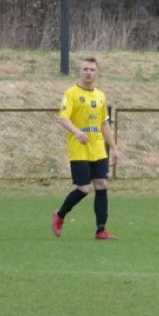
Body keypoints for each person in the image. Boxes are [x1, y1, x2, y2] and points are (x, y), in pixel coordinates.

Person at [52, 56, 119, 240]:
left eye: (92, 69)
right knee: (83, 188)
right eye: (85, 69)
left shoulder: (100, 96)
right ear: (80, 72)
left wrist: (113, 148)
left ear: (97, 73)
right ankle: (60, 215)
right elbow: (62, 118)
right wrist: (76, 132)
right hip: (79, 148)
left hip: (97, 148)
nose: (88, 72)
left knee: (102, 185)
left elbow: (104, 124)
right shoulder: (71, 94)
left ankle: (101, 230)